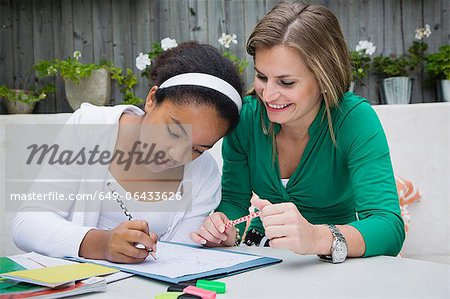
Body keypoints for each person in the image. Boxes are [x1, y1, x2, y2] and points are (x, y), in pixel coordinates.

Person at [190, 2, 405, 261]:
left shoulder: (354, 120)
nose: (268, 95)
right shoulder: (246, 118)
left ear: (325, 78)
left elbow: (388, 226)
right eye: (261, 76)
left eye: (287, 82)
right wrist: (224, 228)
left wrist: (316, 237)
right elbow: (234, 202)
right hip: (263, 258)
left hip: (335, 262)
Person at [12, 41, 243, 264]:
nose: (178, 154)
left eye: (197, 149)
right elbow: (27, 223)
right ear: (152, 99)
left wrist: (208, 239)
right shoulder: (91, 128)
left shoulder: (204, 173)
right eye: (173, 132)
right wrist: (101, 244)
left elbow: (179, 257)